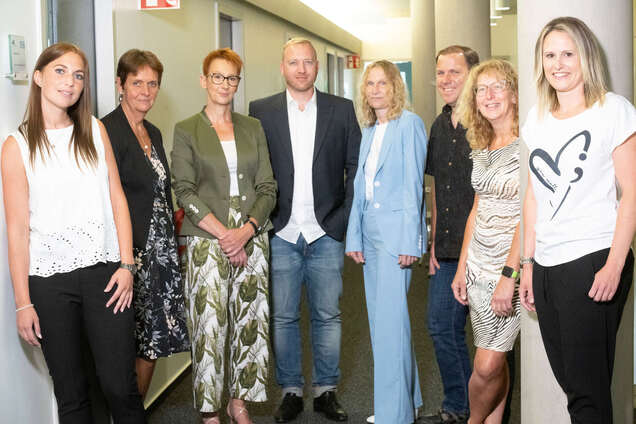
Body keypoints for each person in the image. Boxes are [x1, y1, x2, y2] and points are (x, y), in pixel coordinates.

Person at [1, 42, 145, 423]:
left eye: (79, 75)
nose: (71, 82)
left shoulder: (95, 131)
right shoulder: (16, 147)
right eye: (61, 71)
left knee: (119, 386)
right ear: (38, 76)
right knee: (72, 394)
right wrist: (22, 302)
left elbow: (117, 199)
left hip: (106, 274)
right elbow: (16, 231)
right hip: (48, 285)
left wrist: (127, 264)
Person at [520, 17, 636, 423]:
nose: (559, 63)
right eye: (550, 55)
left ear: (585, 56)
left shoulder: (613, 110)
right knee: (574, 386)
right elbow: (534, 195)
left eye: (568, 53)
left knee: (588, 394)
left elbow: (633, 192)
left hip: (593, 257)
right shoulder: (536, 118)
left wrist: (615, 266)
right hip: (548, 264)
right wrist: (528, 265)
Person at [249, 37, 360, 423]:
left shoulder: (341, 110)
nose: (301, 68)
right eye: (293, 62)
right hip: (280, 231)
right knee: (282, 318)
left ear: (316, 67)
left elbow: (355, 169)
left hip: (325, 230)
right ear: (282, 67)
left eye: (307, 62)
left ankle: (327, 391)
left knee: (328, 315)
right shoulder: (260, 111)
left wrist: (343, 223)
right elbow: (254, 172)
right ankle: (292, 391)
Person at [171, 47, 276, 424]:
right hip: (205, 238)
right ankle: (209, 410)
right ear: (204, 80)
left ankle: (239, 401)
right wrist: (224, 235)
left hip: (251, 233)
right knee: (210, 326)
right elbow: (183, 189)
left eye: (231, 77)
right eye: (217, 76)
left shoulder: (253, 127)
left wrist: (246, 231)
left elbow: (268, 186)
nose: (224, 84)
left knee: (249, 321)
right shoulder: (187, 129)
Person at [102, 49, 190, 399]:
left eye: (152, 84)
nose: (145, 91)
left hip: (161, 254)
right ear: (120, 84)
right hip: (129, 256)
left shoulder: (152, 130)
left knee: (153, 344)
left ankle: (133, 414)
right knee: (127, 345)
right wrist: (124, 258)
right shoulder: (106, 130)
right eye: (137, 82)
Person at [345, 59, 427, 424]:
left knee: (392, 325)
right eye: (370, 83)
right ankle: (407, 401)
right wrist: (354, 235)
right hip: (371, 235)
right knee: (384, 325)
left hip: (396, 239)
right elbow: (360, 188)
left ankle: (396, 416)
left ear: (396, 87)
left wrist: (412, 239)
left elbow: (413, 185)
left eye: (383, 83)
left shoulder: (409, 124)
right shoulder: (369, 129)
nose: (376, 89)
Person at [451, 59, 521, 424]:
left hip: (509, 268)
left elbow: (529, 218)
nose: (489, 95)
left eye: (498, 86)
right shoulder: (482, 144)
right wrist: (462, 267)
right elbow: (476, 210)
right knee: (497, 357)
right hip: (477, 266)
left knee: (488, 361)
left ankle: (473, 421)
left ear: (514, 94)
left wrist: (509, 276)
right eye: (482, 89)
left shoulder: (528, 146)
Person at [421, 45, 479, 424]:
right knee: (441, 325)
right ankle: (459, 406)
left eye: (454, 72)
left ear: (472, 75)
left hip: (486, 248)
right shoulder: (439, 126)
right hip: (446, 249)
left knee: (493, 341)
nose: (446, 80)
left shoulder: (490, 122)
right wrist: (432, 245)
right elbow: (439, 190)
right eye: (441, 73)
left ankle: (488, 411)